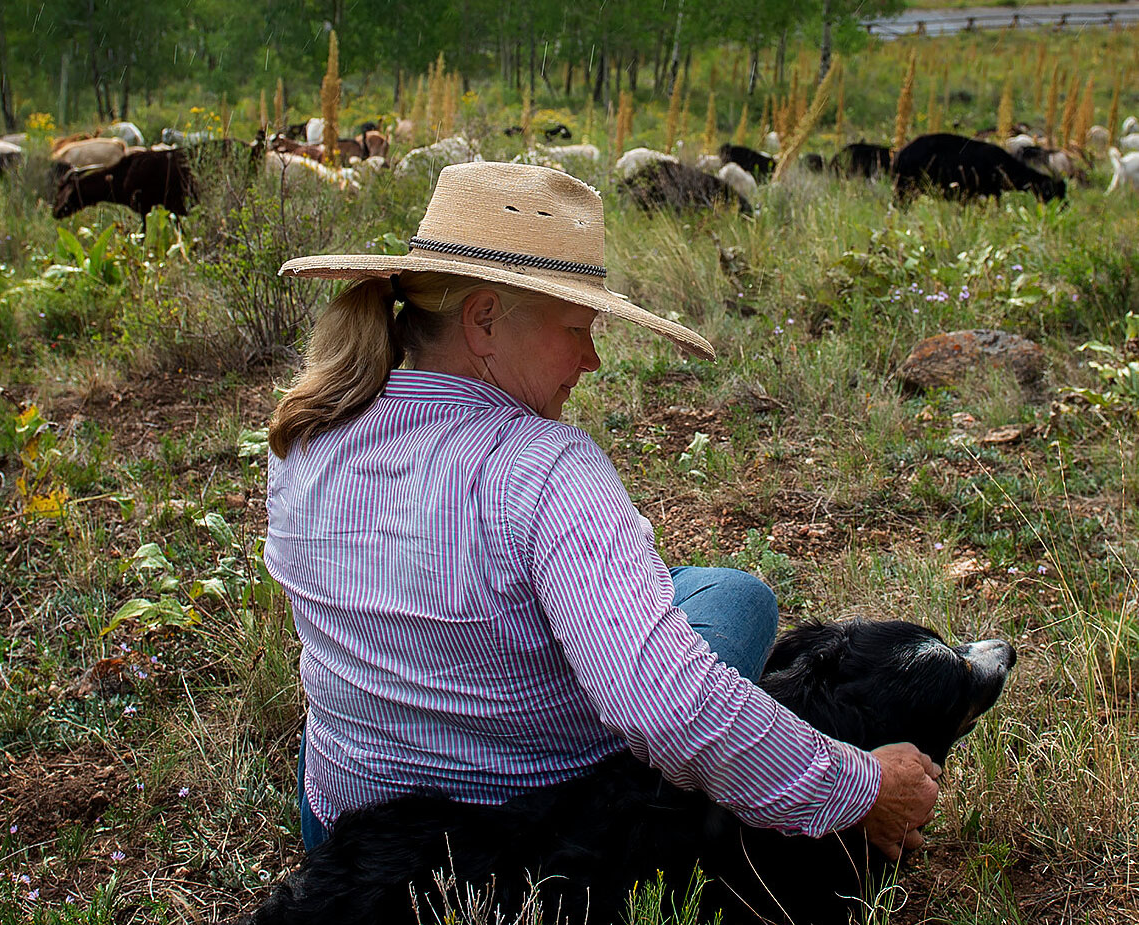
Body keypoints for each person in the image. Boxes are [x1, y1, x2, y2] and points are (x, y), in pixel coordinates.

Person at [265, 161, 939, 859]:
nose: (590, 359)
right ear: (485, 319)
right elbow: (670, 710)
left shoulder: (305, 429)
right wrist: (861, 787)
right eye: (575, 327)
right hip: (520, 847)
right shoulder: (543, 466)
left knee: (718, 594)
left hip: (344, 828)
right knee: (738, 601)